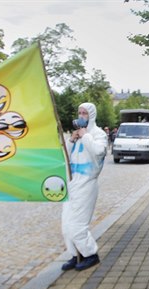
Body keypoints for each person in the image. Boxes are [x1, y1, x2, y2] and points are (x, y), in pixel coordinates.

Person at [60, 102, 108, 271]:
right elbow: (65, 156)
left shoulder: (98, 134)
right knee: (66, 225)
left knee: (77, 224)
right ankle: (75, 254)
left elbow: (99, 152)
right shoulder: (77, 135)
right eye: (79, 112)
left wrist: (86, 135)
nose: (81, 116)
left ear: (91, 115)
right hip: (72, 182)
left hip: (87, 183)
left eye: (85, 113)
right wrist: (71, 140)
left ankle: (90, 254)